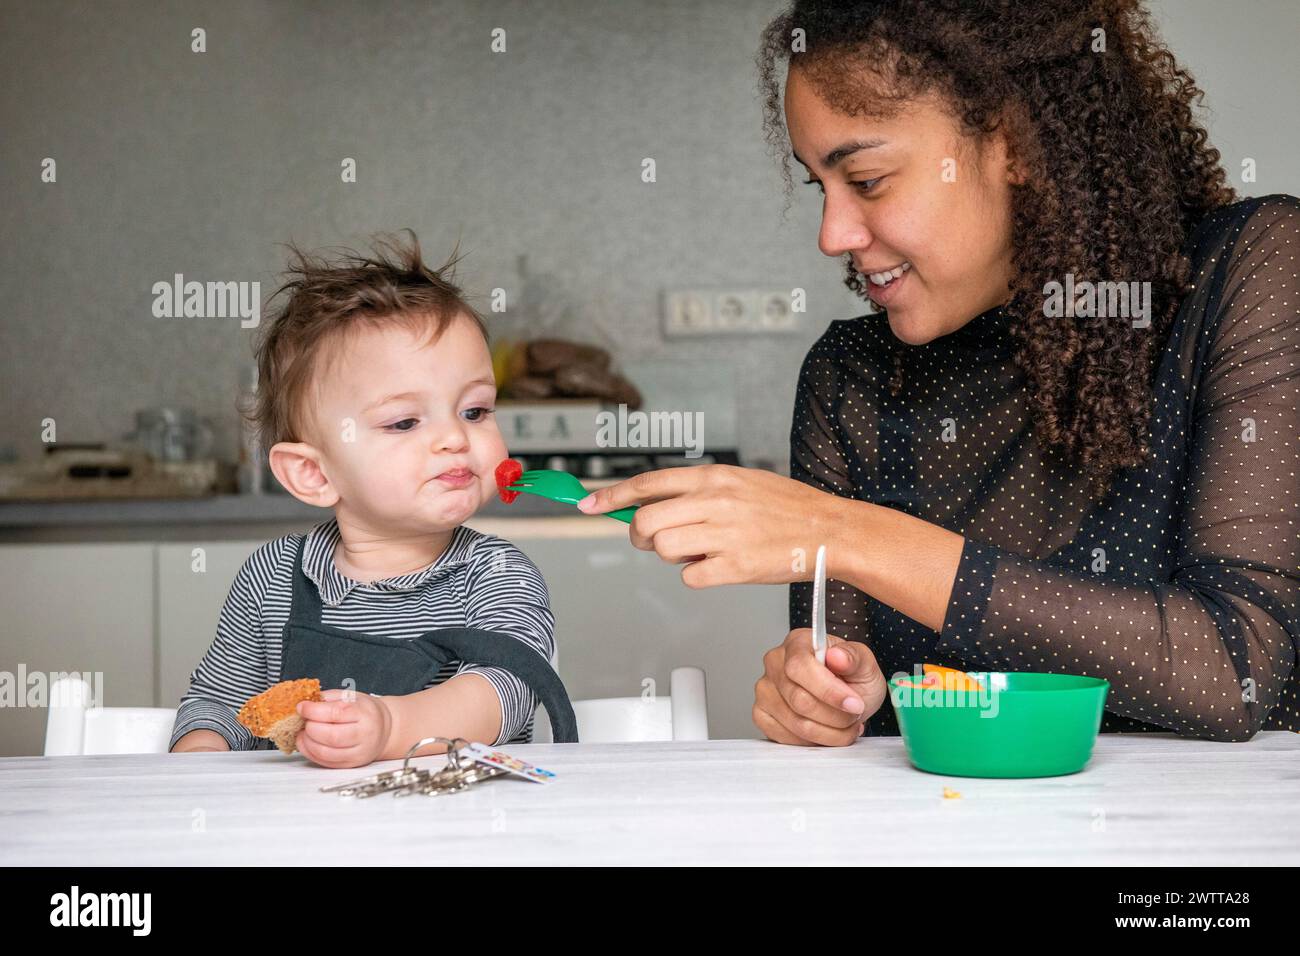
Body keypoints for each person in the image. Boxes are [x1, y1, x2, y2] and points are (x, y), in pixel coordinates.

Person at [577, 0, 1299, 745]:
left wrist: (845, 533)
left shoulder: (1251, 271)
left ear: (1015, 144)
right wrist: (822, 695)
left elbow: (1232, 669)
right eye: (817, 187)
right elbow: (857, 693)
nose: (833, 235)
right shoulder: (848, 379)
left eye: (868, 178)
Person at [169, 234, 563, 767]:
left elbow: (506, 694)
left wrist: (390, 726)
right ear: (313, 474)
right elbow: (220, 706)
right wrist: (197, 759)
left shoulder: (495, 574)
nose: (455, 438)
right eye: (404, 422)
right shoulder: (273, 576)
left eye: (474, 411)